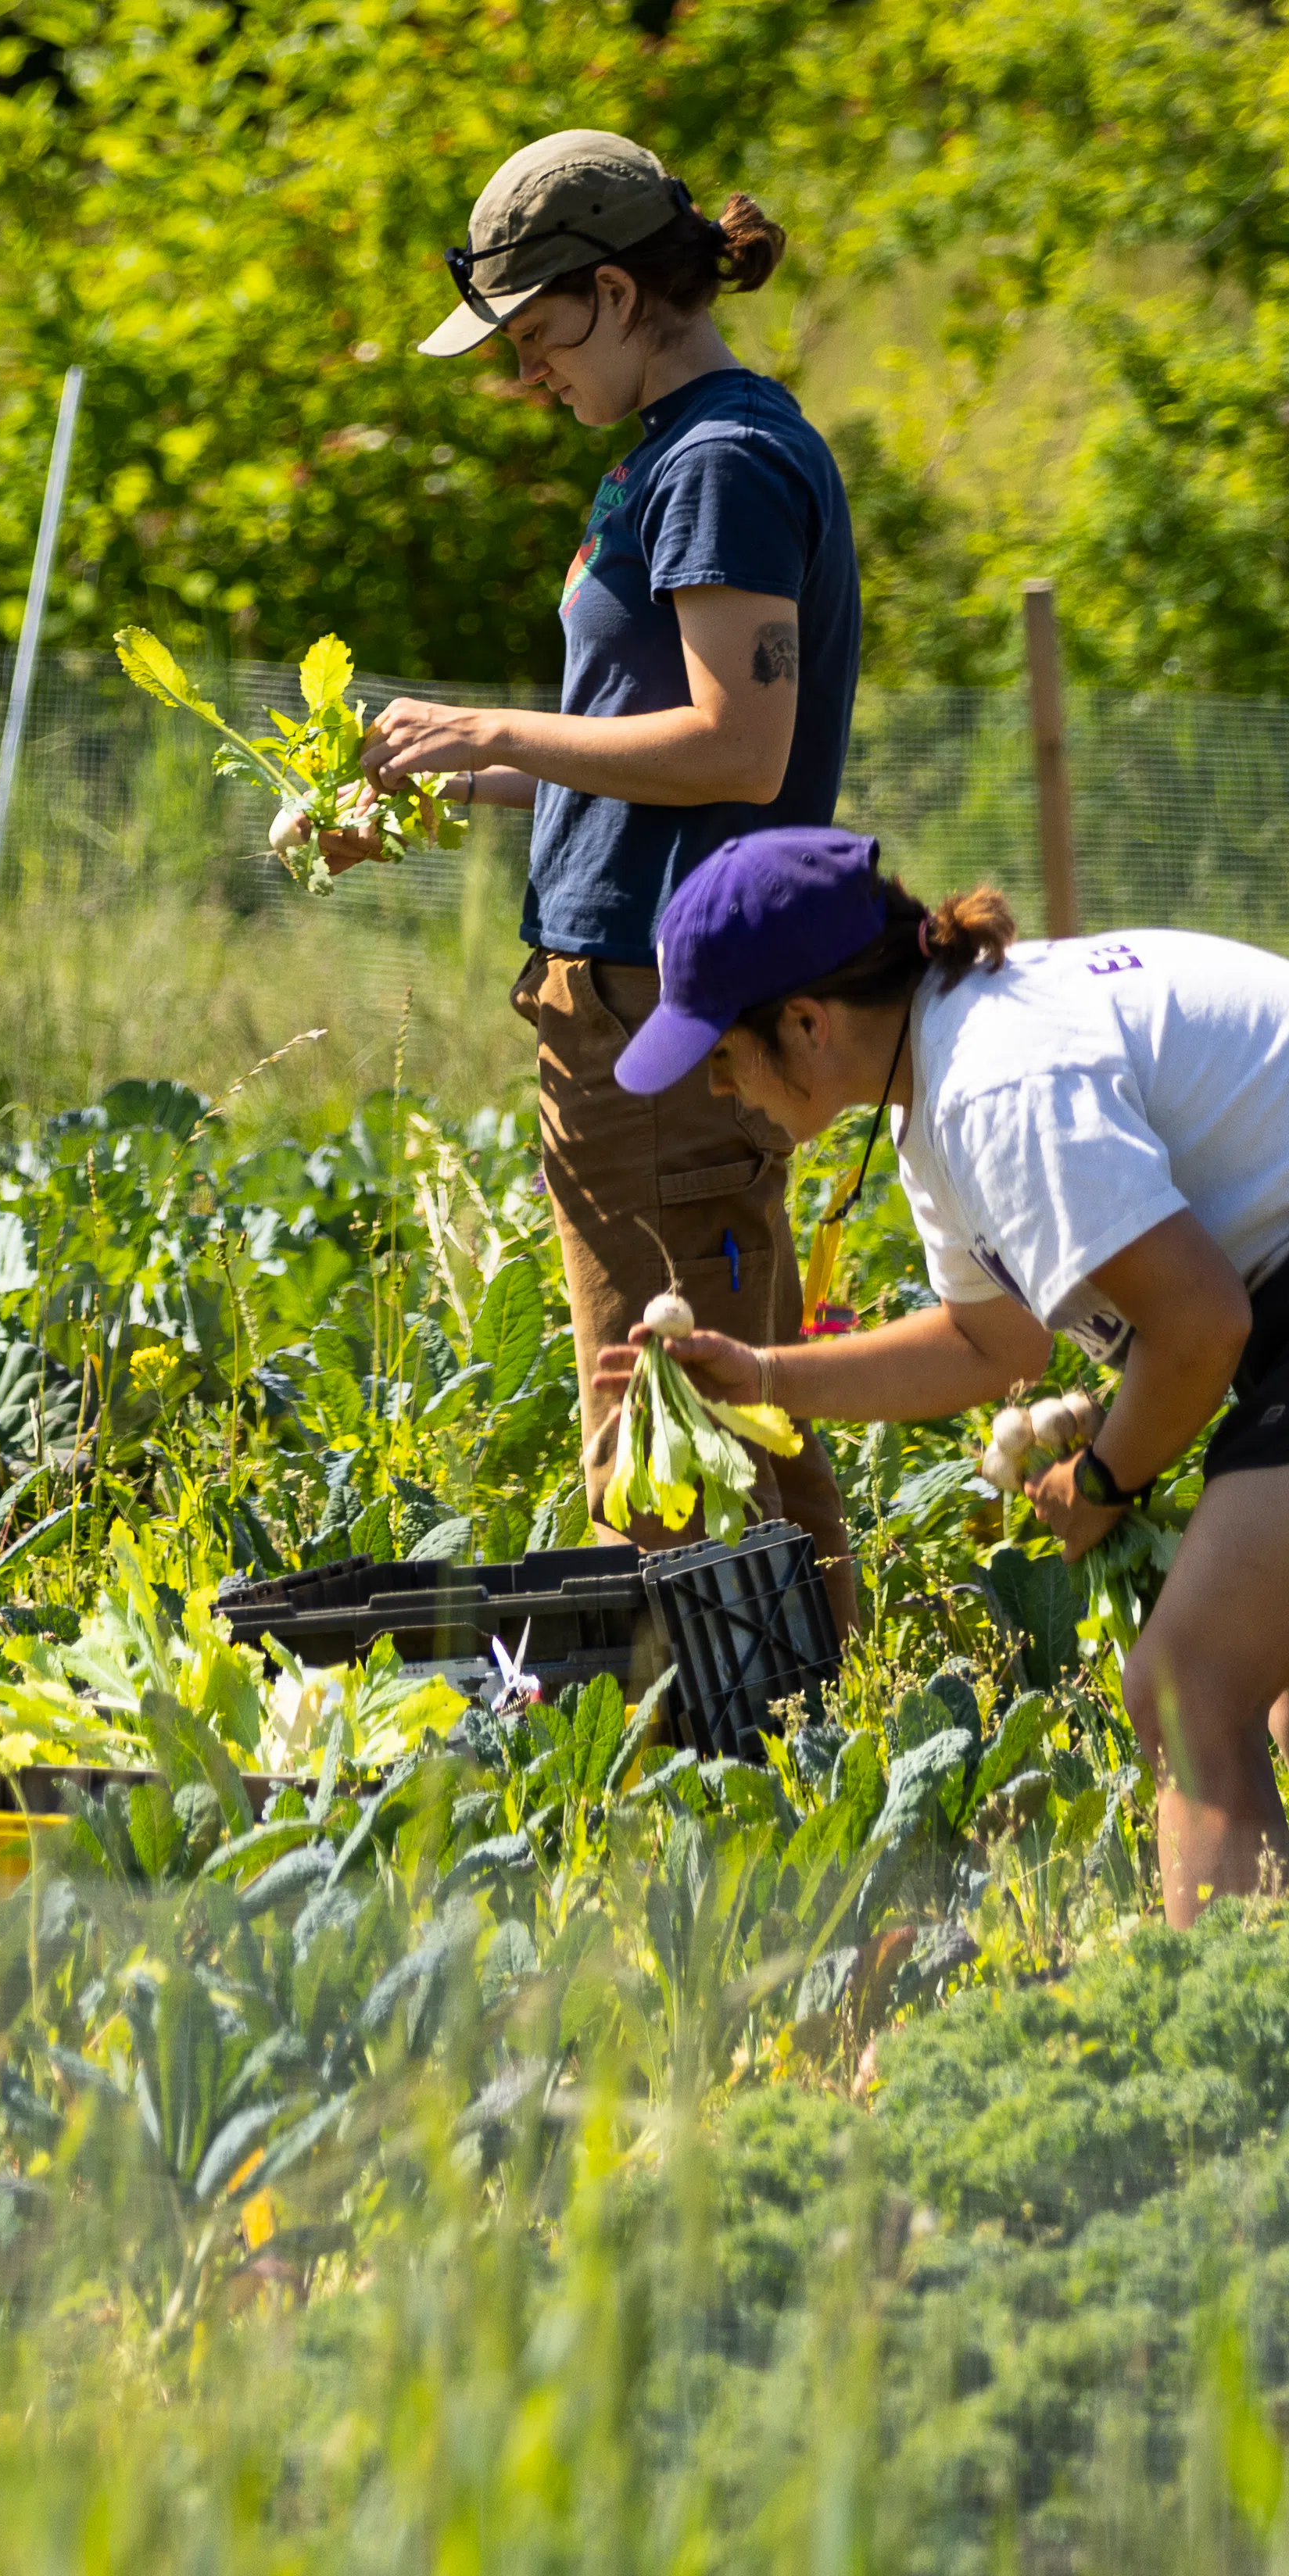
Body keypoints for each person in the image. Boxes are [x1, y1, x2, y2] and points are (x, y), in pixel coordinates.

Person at [607, 828, 1289, 1916]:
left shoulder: (993, 1084)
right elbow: (994, 1345)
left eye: (722, 1055)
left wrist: (1108, 1480)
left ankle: (1236, 2043)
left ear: (805, 1021)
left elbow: (1201, 1327)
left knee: (1185, 1691)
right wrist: (763, 1376)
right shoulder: (942, 1077)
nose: (719, 1087)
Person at [349, 128, 863, 1608]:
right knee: (734, 1411)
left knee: (666, 1431)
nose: (525, 377)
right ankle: (804, 1736)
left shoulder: (720, 464)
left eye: (534, 335)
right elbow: (644, 741)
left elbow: (736, 747)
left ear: (624, 292)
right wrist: (465, 777)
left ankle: (717, 1769)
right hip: (633, 978)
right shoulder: (681, 455)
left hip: (662, 999)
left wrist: (490, 721)